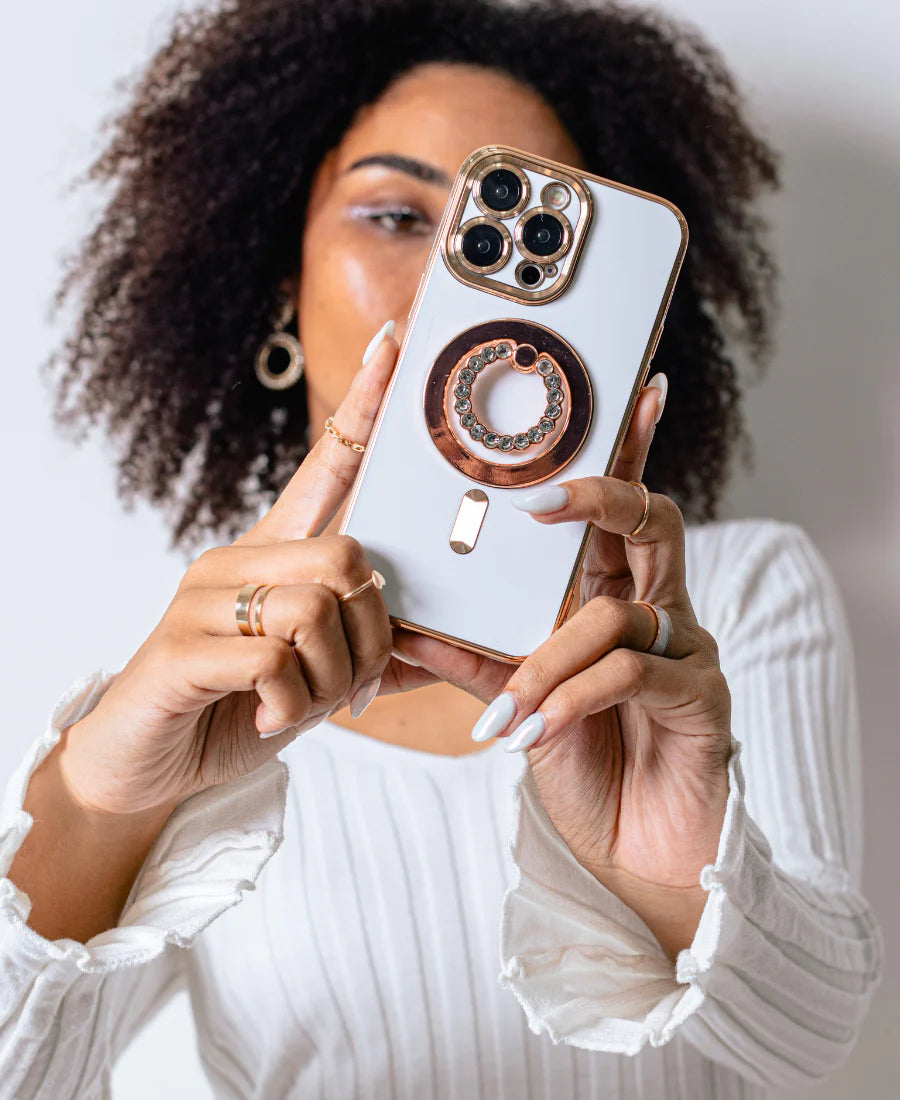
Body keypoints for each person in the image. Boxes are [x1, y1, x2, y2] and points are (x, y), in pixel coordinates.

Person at [0, 0, 882, 1096]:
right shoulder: (195, 667)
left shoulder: (729, 600)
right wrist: (97, 793)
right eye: (395, 215)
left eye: (537, 248)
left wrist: (665, 872)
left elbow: (821, 1044)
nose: (450, 293)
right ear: (279, 274)